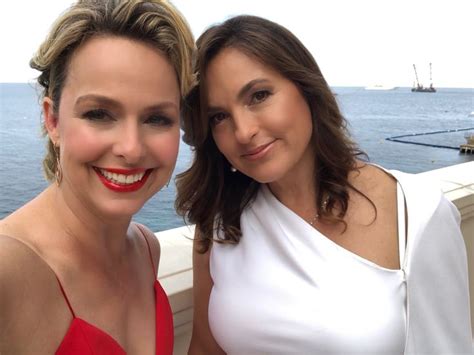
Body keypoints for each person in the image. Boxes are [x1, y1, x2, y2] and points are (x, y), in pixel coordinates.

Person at [176, 15, 472, 354]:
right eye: (219, 116)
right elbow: (204, 348)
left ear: (307, 89)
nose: (243, 131)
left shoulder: (416, 212)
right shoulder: (219, 223)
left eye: (259, 95)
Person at [0, 1, 194, 354]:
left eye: (157, 119)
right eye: (99, 113)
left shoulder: (146, 248)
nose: (132, 148)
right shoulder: (8, 272)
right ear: (53, 119)